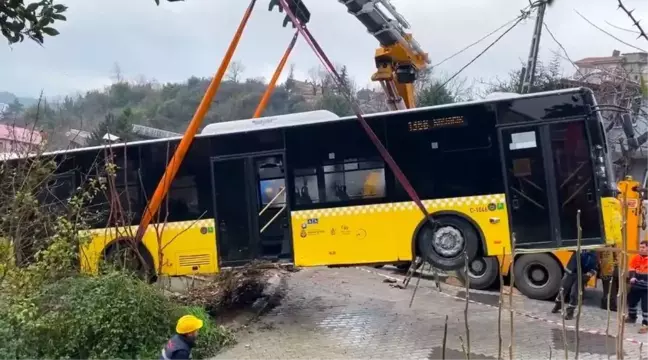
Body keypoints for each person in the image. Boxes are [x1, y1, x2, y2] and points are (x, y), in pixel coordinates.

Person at [550, 250, 598, 320]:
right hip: (570, 273)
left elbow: (595, 268)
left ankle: (570, 312)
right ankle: (558, 305)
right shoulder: (578, 248)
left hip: (581, 276)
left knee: (574, 294)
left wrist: (589, 274)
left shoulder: (594, 255)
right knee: (562, 290)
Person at [627, 240, 648, 333]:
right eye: (640, 247)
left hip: (646, 288)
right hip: (636, 285)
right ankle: (632, 316)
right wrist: (632, 277)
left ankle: (646, 324)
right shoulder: (636, 258)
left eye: (643, 247)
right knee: (631, 300)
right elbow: (631, 268)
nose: (641, 249)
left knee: (646, 306)